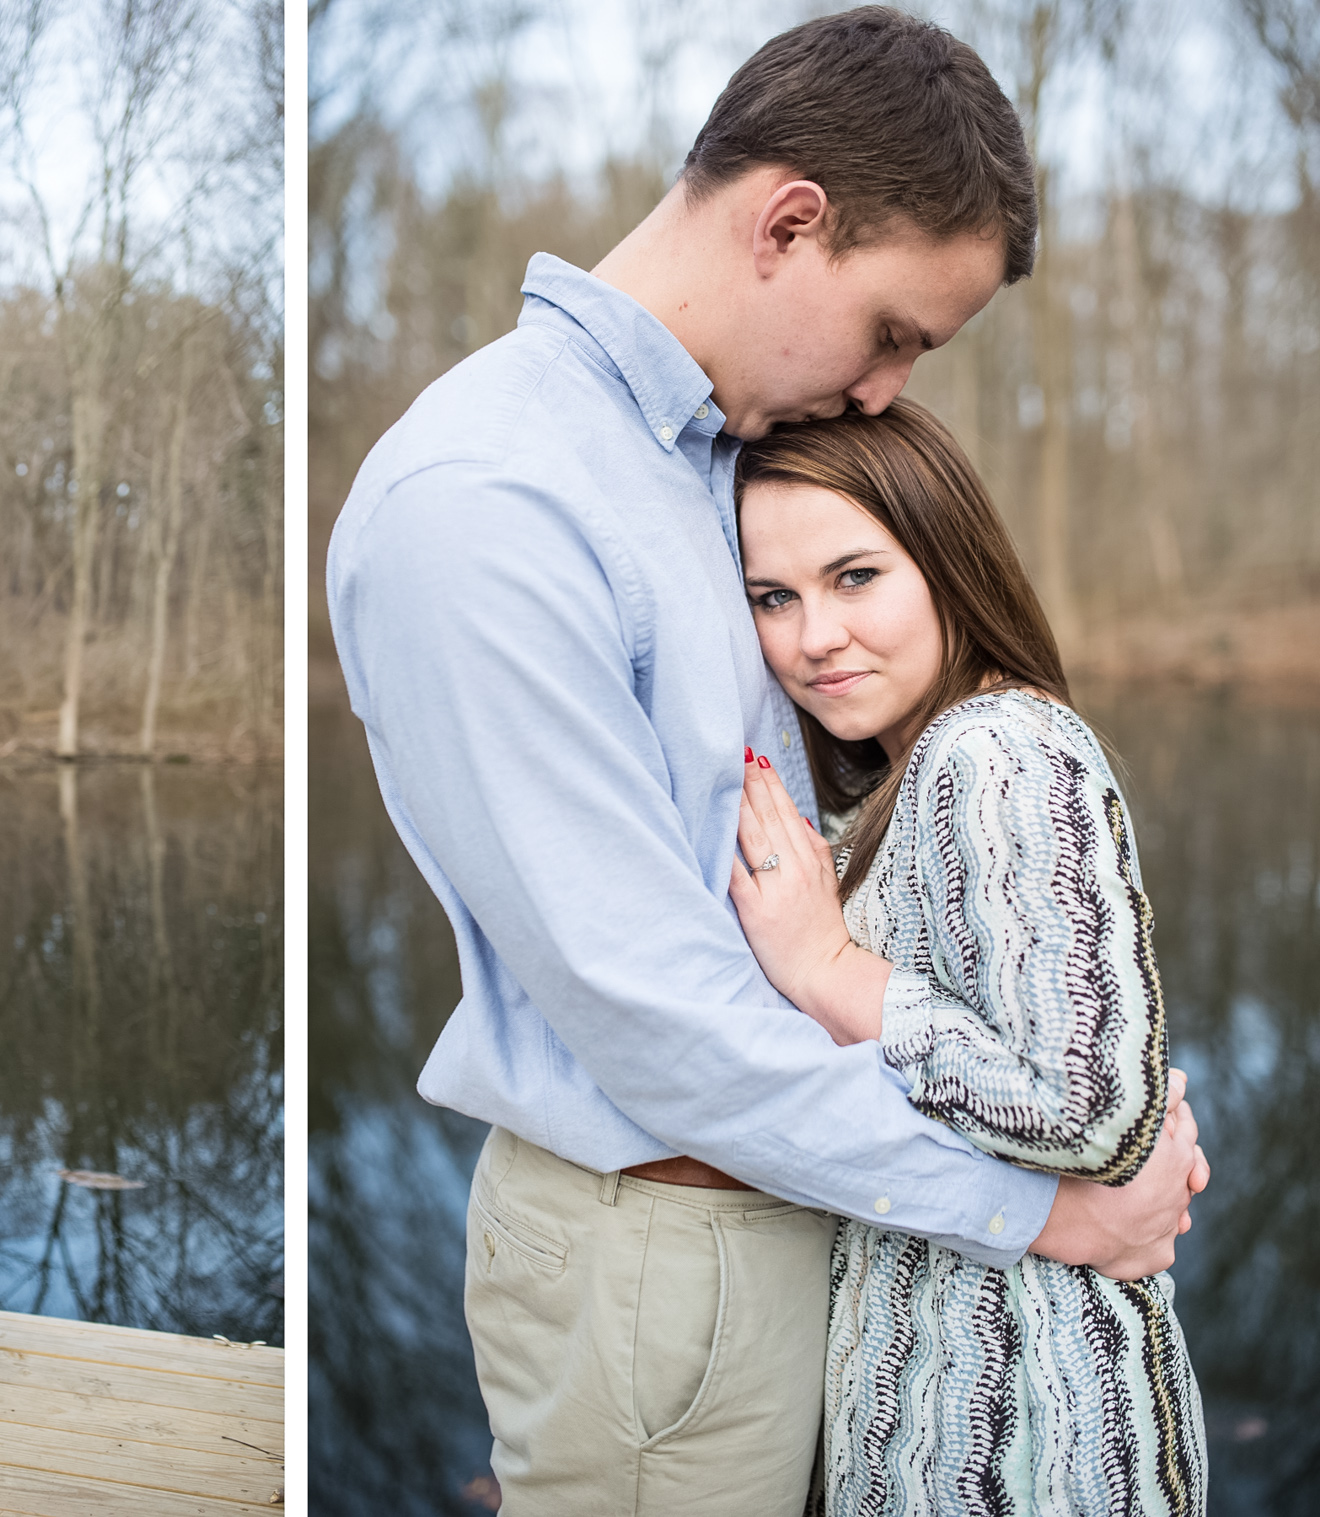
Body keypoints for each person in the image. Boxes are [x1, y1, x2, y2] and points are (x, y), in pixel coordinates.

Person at [325, 8, 1205, 1511]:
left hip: (840, 1232)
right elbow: (656, 1015)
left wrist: (1083, 1084)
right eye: (894, 335)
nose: (886, 395)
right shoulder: (486, 504)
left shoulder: (711, 464)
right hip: (670, 1255)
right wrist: (1049, 1208)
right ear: (790, 222)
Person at [727, 400, 1206, 1514]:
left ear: (945, 560)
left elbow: (1087, 1106)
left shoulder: (994, 747)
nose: (812, 635)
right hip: (935, 1425)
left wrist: (824, 968)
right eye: (772, 596)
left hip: (1035, 1439)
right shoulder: (906, 773)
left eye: (854, 576)